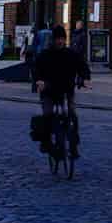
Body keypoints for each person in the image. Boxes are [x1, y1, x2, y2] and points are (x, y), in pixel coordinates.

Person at [34, 24, 91, 159]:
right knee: (48, 114)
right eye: (57, 39)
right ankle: (45, 141)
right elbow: (36, 69)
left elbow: (82, 66)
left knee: (72, 114)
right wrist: (39, 80)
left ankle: (73, 145)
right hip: (48, 90)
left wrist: (84, 78)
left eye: (62, 39)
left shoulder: (70, 54)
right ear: (53, 40)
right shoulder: (45, 55)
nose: (60, 41)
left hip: (66, 89)